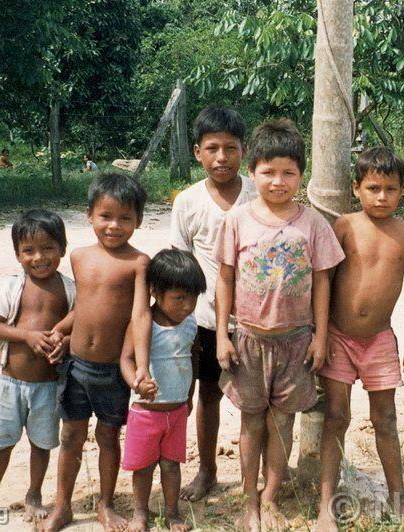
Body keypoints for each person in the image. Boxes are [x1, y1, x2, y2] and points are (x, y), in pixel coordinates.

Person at [214, 119, 345, 531]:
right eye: (268, 172)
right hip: (249, 339)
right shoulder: (238, 220)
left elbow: (323, 281)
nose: (278, 181)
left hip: (295, 342)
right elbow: (225, 278)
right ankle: (249, 504)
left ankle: (270, 497)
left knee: (281, 422)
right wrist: (222, 334)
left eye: (289, 172)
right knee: (252, 422)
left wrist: (320, 337)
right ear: (252, 172)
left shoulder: (313, 224)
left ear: (301, 175)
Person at [316, 147, 404, 530]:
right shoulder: (344, 225)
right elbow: (323, 280)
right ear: (356, 188)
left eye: (390, 189)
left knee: (386, 418)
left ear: (402, 191)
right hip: (339, 339)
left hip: (380, 340)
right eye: (373, 188)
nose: (382, 197)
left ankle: (398, 499)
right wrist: (322, 332)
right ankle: (326, 504)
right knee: (336, 416)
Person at [41, 173, 150, 532]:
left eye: (125, 218)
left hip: (111, 370)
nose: (114, 226)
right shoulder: (78, 256)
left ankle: (105, 503)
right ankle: (63, 506)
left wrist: (140, 366)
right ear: (89, 215)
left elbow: (139, 314)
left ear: (138, 221)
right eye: (106, 216)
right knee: (70, 435)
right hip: (75, 366)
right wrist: (59, 330)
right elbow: (83, 307)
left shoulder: (138, 263)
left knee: (107, 437)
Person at [169, 106, 257, 501]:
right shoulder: (188, 202)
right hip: (205, 320)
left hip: (257, 320)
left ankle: (262, 475)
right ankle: (207, 470)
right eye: (212, 149)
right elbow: (180, 263)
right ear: (197, 152)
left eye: (230, 148)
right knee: (208, 394)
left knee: (261, 400)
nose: (221, 158)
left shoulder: (260, 194)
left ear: (245, 149)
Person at [0, 209, 75, 524]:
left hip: (48, 385)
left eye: (47, 248)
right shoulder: (13, 287)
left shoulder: (69, 289)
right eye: (28, 250)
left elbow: (77, 324)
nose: (38, 257)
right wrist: (26, 336)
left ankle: (34, 494)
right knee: (1, 444)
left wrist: (64, 343)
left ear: (62, 249)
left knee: (41, 445)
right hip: (10, 383)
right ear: (17, 254)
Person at [119, 249, 207, 532]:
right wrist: (137, 382)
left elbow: (192, 358)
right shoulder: (143, 324)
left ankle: (172, 512)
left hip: (177, 410)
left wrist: (190, 395)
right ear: (156, 291)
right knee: (143, 467)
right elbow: (126, 359)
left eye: (193, 298)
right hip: (146, 412)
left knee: (172, 465)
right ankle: (140, 512)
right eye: (179, 298)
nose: (187, 306)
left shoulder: (190, 324)